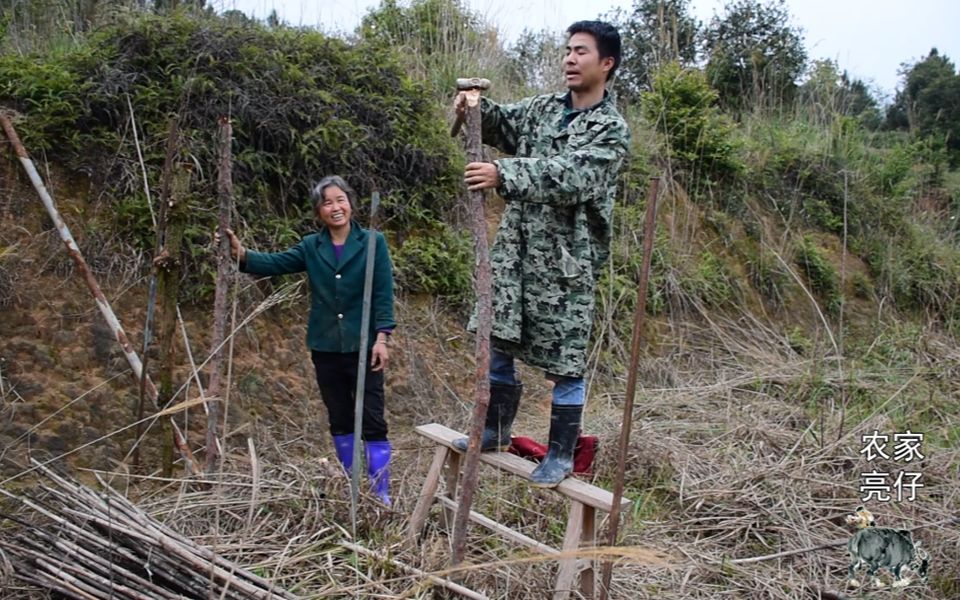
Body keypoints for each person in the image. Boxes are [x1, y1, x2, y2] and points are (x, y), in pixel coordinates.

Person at [451, 20, 631, 487]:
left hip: (566, 264)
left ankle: (561, 451)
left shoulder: (610, 131)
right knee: (498, 339)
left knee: (565, 360)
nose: (570, 59)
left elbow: (571, 176)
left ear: (606, 64)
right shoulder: (544, 110)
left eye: (581, 52)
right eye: (567, 51)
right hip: (517, 253)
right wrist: (476, 108)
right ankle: (493, 430)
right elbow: (504, 122)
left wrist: (503, 174)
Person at [221, 176, 396, 504]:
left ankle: (381, 492)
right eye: (327, 203)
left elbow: (384, 293)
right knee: (339, 417)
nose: (336, 207)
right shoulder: (311, 247)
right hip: (326, 347)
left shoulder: (374, 242)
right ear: (319, 212)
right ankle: (351, 485)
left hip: (364, 348)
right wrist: (240, 254)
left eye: (340, 200)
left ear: (351, 203)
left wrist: (382, 338)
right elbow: (275, 263)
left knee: (372, 417)